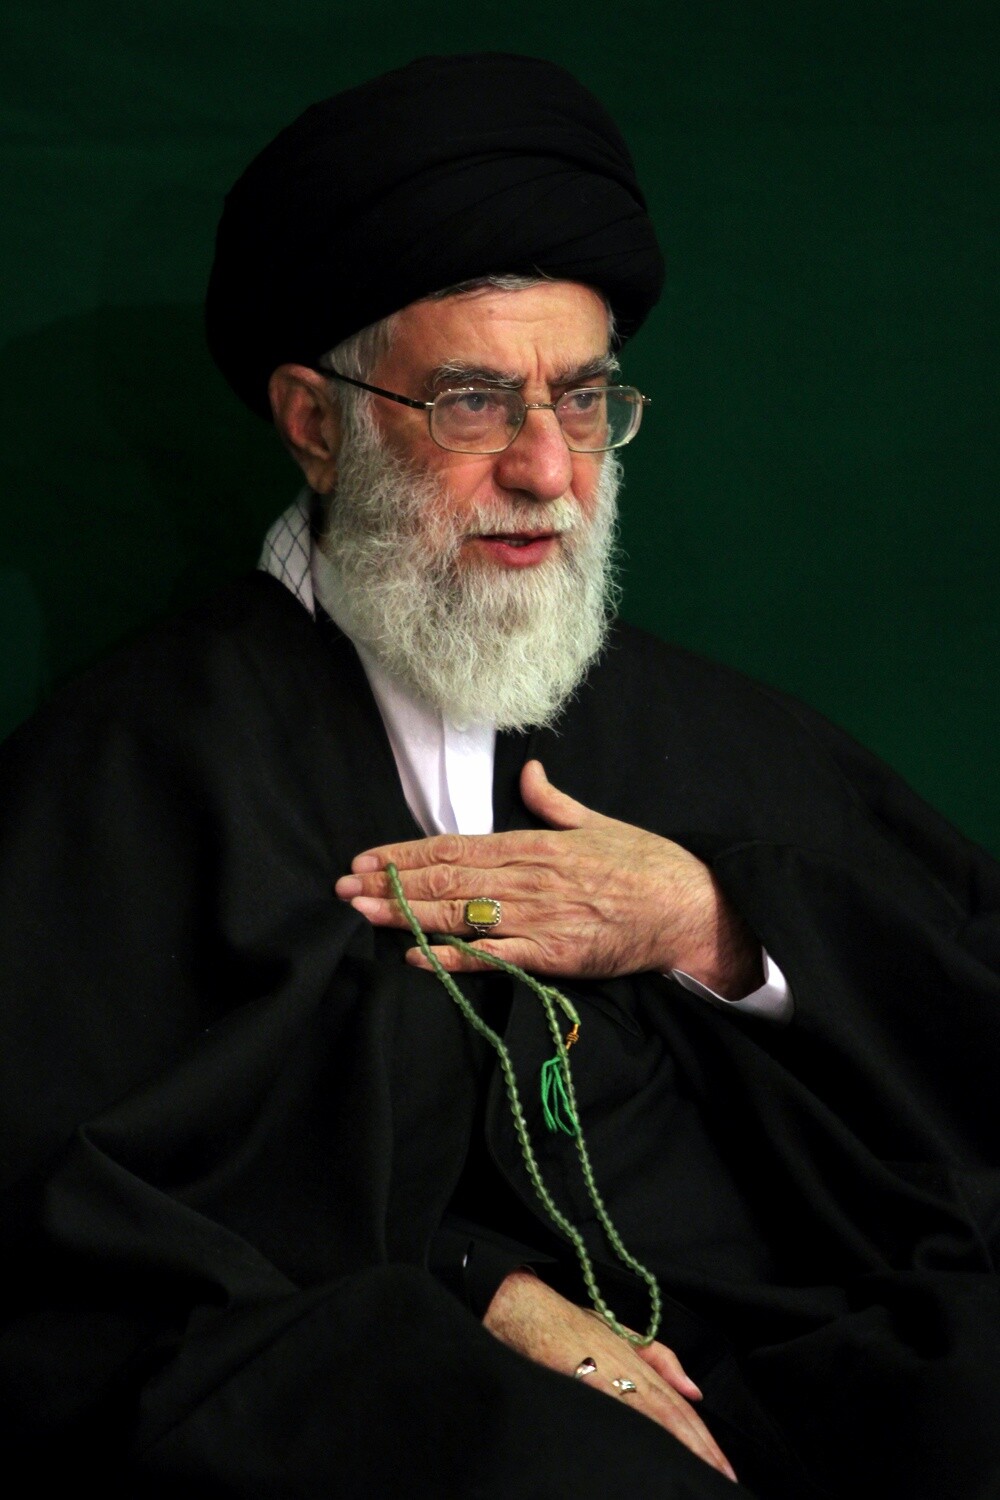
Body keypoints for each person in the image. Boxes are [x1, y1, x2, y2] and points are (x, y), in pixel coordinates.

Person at [1, 53, 998, 1499]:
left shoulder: (706, 724)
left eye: (582, 403)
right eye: (473, 404)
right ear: (315, 423)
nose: (547, 470)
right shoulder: (130, 769)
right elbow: (74, 1238)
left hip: (794, 1343)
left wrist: (714, 925)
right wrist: (475, 1283)